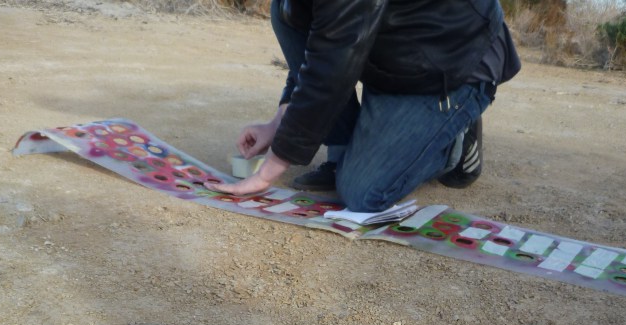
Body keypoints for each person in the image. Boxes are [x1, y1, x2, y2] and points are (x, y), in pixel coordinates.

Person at [205, 0, 520, 212]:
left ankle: (454, 135)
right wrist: (279, 121)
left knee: (363, 192)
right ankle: (342, 152)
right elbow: (320, 36)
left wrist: (268, 171)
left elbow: (332, 61)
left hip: (450, 61)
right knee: (287, 9)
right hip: (391, 52)